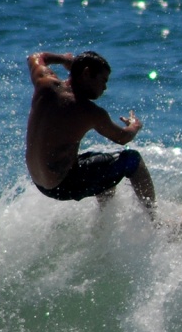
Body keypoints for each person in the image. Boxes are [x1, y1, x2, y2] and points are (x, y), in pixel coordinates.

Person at [25, 50, 156, 217]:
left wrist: (65, 59)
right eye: (103, 80)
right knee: (132, 159)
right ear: (87, 73)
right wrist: (134, 126)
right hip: (64, 185)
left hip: (40, 182)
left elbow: (35, 58)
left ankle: (104, 223)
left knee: (103, 163)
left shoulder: (45, 83)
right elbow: (123, 138)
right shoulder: (89, 111)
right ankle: (155, 222)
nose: (105, 88)